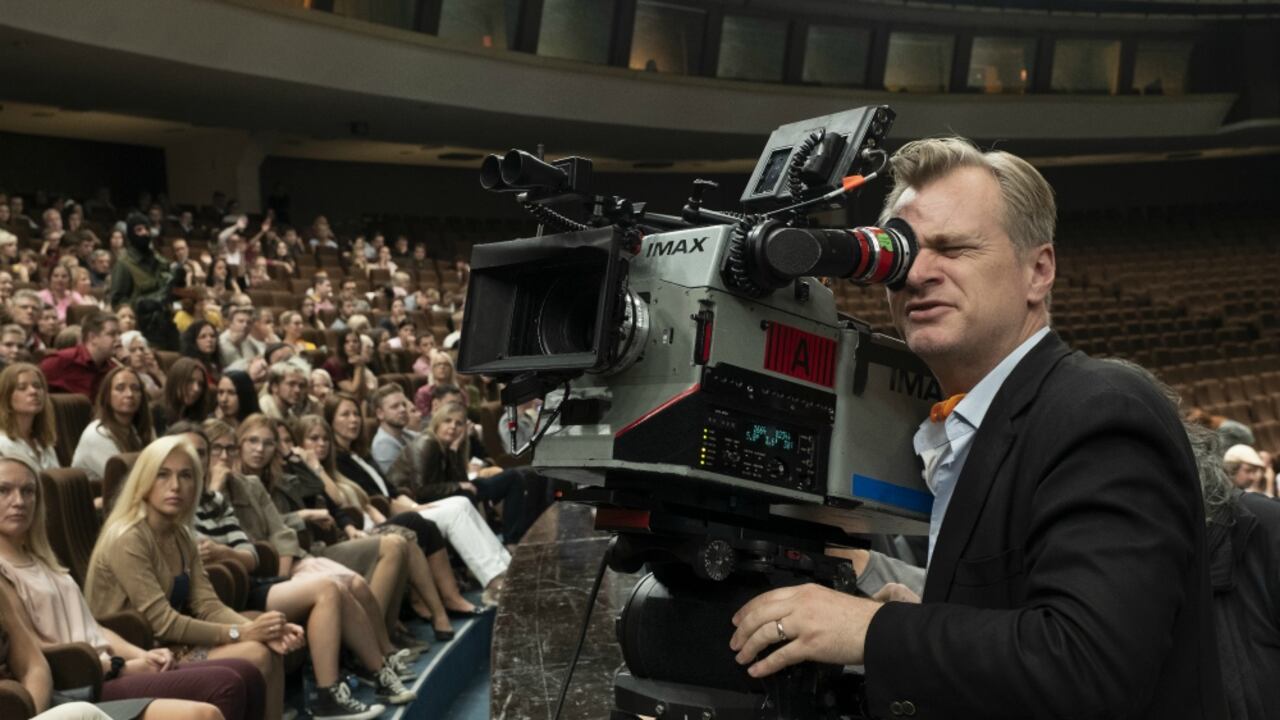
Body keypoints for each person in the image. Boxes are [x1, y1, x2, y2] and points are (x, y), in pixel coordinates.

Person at [727, 137, 1226, 717]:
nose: (918, 273)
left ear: (1039, 271)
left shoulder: (1102, 408)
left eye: (954, 248)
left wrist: (875, 629)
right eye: (903, 252)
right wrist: (925, 618)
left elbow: (1089, 666)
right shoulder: (973, 424)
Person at [170, 427, 412, 717]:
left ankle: (374, 673)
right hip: (225, 593)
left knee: (335, 586)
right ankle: (329, 693)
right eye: (191, 456)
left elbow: (250, 554)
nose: (197, 463)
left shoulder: (217, 499)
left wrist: (225, 553)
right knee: (327, 587)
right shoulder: (174, 506)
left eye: (201, 455)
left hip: (250, 581)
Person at [0, 456, 260, 720]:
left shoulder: (42, 560)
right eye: (4, 490)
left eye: (28, 491)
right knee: (223, 688)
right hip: (79, 681)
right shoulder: (3, 570)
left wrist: (142, 655)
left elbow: (92, 627)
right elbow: (36, 653)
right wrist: (121, 667)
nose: (19, 501)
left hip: (108, 667)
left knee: (246, 672)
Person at [84, 436, 305, 720]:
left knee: (265, 644)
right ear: (144, 481)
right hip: (137, 656)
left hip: (170, 645)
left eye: (185, 475)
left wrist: (265, 629)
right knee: (256, 652)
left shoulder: (181, 534)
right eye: (162, 474)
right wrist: (242, 633)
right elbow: (162, 622)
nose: (175, 486)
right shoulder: (128, 537)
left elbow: (208, 605)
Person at [231, 416, 414, 647]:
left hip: (308, 549)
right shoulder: (236, 484)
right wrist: (303, 515)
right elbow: (268, 528)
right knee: (389, 548)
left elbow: (317, 489)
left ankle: (384, 640)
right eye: (253, 441)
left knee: (397, 543)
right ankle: (376, 642)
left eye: (269, 443)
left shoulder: (277, 476)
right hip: (286, 559)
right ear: (240, 444)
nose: (260, 449)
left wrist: (293, 457)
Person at [325, 394, 502, 612]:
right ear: (331, 420)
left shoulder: (361, 454)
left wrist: (414, 507)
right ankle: (493, 581)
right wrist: (413, 509)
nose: (354, 420)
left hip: (401, 508)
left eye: (355, 414)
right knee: (455, 511)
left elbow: (391, 492)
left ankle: (504, 570)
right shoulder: (337, 461)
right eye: (345, 414)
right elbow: (374, 501)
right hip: (382, 520)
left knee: (460, 503)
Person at [388, 401, 543, 545]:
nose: (453, 427)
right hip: (413, 501)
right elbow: (421, 491)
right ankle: (489, 544)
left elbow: (461, 480)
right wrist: (458, 485)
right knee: (467, 495)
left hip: (445, 490)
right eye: (447, 421)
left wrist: (455, 451)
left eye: (459, 423)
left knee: (513, 477)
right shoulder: (427, 444)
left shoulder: (452, 445)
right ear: (437, 423)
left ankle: (513, 540)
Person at [71, 366, 155, 484]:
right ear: (107, 396)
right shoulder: (97, 434)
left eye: (135, 388)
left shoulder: (141, 429)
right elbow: (125, 480)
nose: (130, 394)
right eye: (120, 388)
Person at [40, 310, 120, 398]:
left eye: (119, 334)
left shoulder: (113, 369)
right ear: (93, 337)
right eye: (112, 334)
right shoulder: (61, 361)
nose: (119, 339)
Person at [0, 364, 59, 471]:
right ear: (6, 397)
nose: (33, 392)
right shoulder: (2, 444)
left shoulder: (44, 442)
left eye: (37, 386)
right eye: (22, 388)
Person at [369, 385, 417, 475]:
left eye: (404, 405)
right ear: (380, 414)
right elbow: (401, 484)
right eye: (395, 407)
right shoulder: (383, 445)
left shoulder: (405, 434)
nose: (403, 409)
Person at [161, 358, 210, 430]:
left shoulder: (198, 417)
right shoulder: (156, 413)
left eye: (200, 384)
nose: (196, 389)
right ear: (176, 380)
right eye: (190, 381)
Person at [120, 331, 166, 404]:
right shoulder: (123, 377)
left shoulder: (148, 374)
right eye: (132, 350)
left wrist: (158, 373)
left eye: (141, 349)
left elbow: (171, 394)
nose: (139, 353)